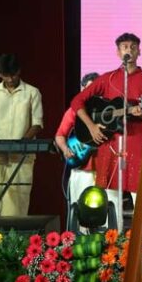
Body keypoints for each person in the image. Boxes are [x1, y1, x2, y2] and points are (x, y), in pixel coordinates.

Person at [70, 33, 142, 223]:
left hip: (136, 143)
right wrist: (92, 127)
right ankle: (113, 237)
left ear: (139, 51)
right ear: (118, 52)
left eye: (133, 47)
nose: (129, 50)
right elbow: (77, 101)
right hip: (110, 143)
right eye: (125, 47)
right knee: (111, 197)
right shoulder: (107, 79)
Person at [0, 53, 43, 216]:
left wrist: (21, 143)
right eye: (6, 75)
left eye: (13, 75)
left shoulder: (32, 92)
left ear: (19, 71)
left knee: (16, 201)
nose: (10, 79)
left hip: (21, 154)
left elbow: (37, 123)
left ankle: (13, 233)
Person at [55, 72, 99, 216]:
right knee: (81, 212)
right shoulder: (74, 111)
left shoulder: (108, 111)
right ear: (82, 90)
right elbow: (60, 135)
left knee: (106, 213)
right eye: (88, 90)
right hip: (82, 168)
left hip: (104, 169)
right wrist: (65, 149)